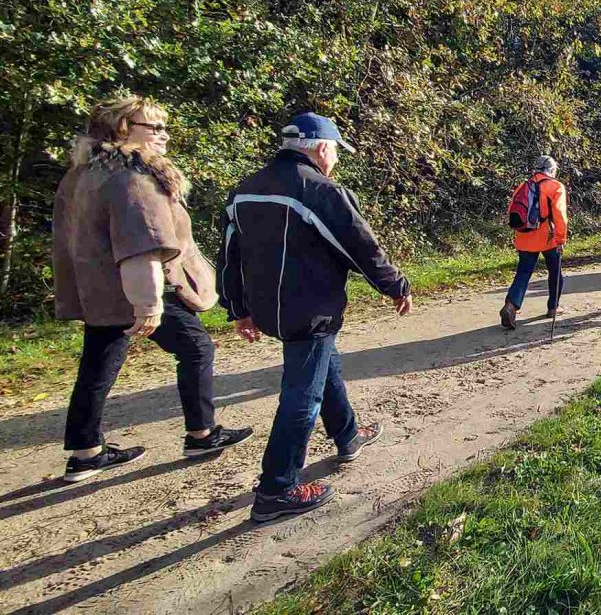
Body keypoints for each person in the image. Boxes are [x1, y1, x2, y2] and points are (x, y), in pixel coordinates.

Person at [219, 112, 410, 523]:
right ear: (322, 148)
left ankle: (347, 435)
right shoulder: (320, 191)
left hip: (269, 308)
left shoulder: (245, 190)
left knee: (326, 363)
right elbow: (362, 247)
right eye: (336, 150)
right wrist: (396, 286)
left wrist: (238, 308)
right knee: (302, 397)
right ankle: (277, 489)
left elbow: (230, 256)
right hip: (310, 309)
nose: (336, 159)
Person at [52, 96, 252, 483]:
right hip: (144, 287)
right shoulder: (132, 177)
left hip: (101, 290)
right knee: (196, 348)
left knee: (97, 365)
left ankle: (85, 452)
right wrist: (148, 304)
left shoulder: (82, 174)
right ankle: (202, 434)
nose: (164, 135)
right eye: (154, 127)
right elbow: (142, 245)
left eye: (164, 127)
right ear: (123, 129)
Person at [500, 156, 569, 329]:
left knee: (523, 272)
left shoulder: (524, 185)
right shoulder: (555, 186)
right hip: (548, 237)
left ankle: (511, 306)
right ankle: (553, 307)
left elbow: (512, 210)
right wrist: (561, 238)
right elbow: (560, 215)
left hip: (524, 236)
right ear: (552, 170)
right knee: (555, 271)